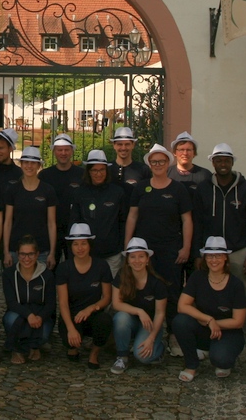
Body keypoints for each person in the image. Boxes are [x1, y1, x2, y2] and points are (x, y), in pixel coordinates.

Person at [194, 143, 246, 364]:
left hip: (238, 251)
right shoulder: (204, 188)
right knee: (205, 298)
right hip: (210, 254)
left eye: (226, 160)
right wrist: (198, 253)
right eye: (218, 160)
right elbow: (197, 223)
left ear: (232, 162)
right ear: (212, 163)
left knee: (245, 298)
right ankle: (204, 343)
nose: (222, 164)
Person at [124, 144, 191, 356]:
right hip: (143, 251)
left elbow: (186, 219)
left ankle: (172, 335)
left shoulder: (178, 189)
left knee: (171, 292)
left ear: (168, 163)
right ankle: (139, 332)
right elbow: (132, 216)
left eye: (162, 161)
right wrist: (128, 246)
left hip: (170, 250)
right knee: (141, 291)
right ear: (149, 164)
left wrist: (186, 247)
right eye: (154, 162)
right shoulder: (141, 187)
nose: (158, 165)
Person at [172, 236, 246, 382]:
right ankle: (191, 365)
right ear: (205, 258)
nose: (214, 260)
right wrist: (208, 320)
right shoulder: (197, 277)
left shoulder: (236, 284)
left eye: (218, 255)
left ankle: (216, 353)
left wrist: (215, 324)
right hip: (205, 327)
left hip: (228, 332)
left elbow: (238, 321)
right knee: (180, 321)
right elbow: (182, 306)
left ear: (225, 257)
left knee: (221, 361)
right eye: (210, 256)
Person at [56, 223, 113, 370]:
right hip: (72, 314)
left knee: (105, 321)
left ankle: (94, 353)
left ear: (90, 245)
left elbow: (107, 297)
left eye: (83, 244)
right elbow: (62, 303)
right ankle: (72, 347)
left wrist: (91, 308)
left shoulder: (101, 266)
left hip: (93, 314)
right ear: (71, 246)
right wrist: (71, 328)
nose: (80, 248)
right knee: (70, 334)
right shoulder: (64, 268)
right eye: (76, 244)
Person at [110, 237, 167, 374]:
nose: (137, 261)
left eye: (141, 256)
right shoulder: (121, 276)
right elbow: (116, 304)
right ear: (128, 260)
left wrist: (152, 338)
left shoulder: (157, 283)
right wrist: (139, 311)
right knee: (120, 318)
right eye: (133, 257)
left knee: (142, 356)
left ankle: (160, 347)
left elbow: (160, 313)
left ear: (147, 259)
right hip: (131, 320)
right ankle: (122, 356)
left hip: (150, 324)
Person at [70, 150, 127, 277]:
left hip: (112, 254)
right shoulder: (79, 193)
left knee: (112, 291)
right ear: (88, 172)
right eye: (94, 170)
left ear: (107, 171)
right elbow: (74, 221)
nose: (98, 174)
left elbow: (123, 221)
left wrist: (122, 246)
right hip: (87, 254)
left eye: (102, 170)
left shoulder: (117, 192)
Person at [2, 235, 55, 364]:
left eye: (30, 254)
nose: (26, 258)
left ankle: (34, 346)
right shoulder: (9, 274)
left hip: (40, 314)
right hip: (19, 313)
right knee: (10, 320)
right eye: (22, 254)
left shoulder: (47, 275)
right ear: (17, 255)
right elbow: (11, 302)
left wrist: (39, 317)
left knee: (42, 335)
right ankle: (17, 349)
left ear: (37, 254)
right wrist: (29, 315)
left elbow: (51, 304)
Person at [3, 146, 57, 269]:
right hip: (16, 249)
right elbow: (7, 222)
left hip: (42, 249)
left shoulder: (48, 190)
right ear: (21, 165)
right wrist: (6, 252)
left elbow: (51, 223)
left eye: (33, 163)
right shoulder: (12, 190)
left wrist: (52, 253)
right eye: (26, 162)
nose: (29, 166)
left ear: (39, 166)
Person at [38, 134, 84, 263]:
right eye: (59, 150)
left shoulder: (81, 174)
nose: (63, 153)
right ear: (54, 152)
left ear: (72, 151)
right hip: (51, 230)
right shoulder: (44, 175)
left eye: (66, 149)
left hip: (75, 229)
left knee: (75, 267)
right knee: (51, 268)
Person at [108, 127, 149, 192]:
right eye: (119, 144)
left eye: (127, 144)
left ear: (133, 145)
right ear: (114, 145)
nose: (123, 148)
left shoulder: (143, 169)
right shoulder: (106, 169)